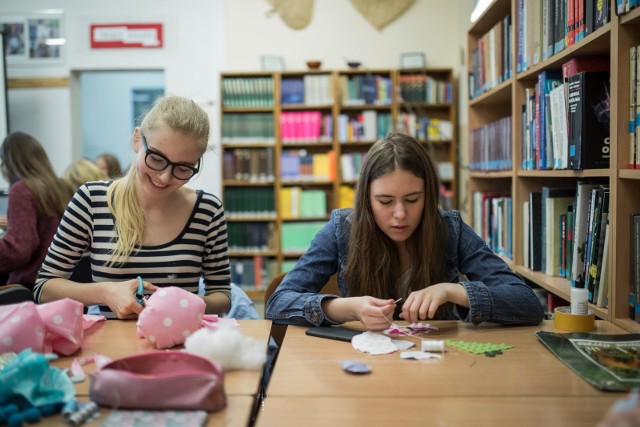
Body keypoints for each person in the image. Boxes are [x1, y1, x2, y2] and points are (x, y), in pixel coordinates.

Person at [266, 133, 544, 330]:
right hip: (362, 369)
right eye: (385, 202)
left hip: (436, 368)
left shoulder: (450, 230)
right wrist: (347, 309)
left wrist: (452, 290)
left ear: (429, 195)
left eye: (412, 200)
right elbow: (279, 302)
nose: (400, 214)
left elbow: (527, 303)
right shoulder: (342, 229)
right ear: (366, 198)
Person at [34, 95, 231, 319]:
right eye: (157, 158)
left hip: (180, 345)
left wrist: (187, 304)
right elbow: (44, 288)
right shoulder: (91, 200)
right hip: (111, 347)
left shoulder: (207, 210)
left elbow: (222, 295)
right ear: (137, 140)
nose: (165, 177)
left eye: (183, 169)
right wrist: (105, 292)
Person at [0, 132, 75, 288]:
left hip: (28, 291)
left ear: (10, 163)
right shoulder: (64, 187)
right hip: (64, 288)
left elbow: (18, 251)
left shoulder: (21, 189)